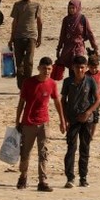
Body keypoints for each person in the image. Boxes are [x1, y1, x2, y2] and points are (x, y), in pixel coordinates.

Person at [14, 56, 65, 192]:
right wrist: (17, 120)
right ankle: (23, 176)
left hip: (44, 123)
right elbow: (21, 103)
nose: (46, 71)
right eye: (44, 68)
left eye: (49, 69)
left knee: (43, 153)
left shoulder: (52, 84)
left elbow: (57, 102)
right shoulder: (28, 83)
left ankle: (42, 181)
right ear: (38, 68)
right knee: (25, 152)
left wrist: (62, 121)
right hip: (28, 123)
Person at [61, 54, 99, 189]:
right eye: (77, 67)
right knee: (71, 148)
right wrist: (64, 120)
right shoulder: (67, 82)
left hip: (87, 120)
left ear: (86, 67)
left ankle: (83, 177)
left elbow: (97, 99)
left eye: (82, 67)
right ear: (73, 67)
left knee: (85, 149)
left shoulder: (90, 81)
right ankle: (70, 178)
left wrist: (88, 113)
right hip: (72, 120)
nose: (80, 70)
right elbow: (63, 101)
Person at [8, 0, 43, 89]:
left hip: (31, 37)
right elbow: (15, 22)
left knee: (29, 62)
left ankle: (28, 85)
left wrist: (40, 37)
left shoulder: (36, 6)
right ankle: (21, 87)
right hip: (18, 37)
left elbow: (39, 22)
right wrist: (11, 38)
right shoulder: (17, 5)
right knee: (19, 64)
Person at [55, 0, 98, 69]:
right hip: (68, 47)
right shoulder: (66, 20)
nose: (71, 10)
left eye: (73, 8)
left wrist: (95, 47)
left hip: (79, 47)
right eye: (69, 8)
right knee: (71, 68)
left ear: (77, 8)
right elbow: (62, 35)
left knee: (79, 65)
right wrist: (59, 48)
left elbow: (90, 33)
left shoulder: (83, 19)